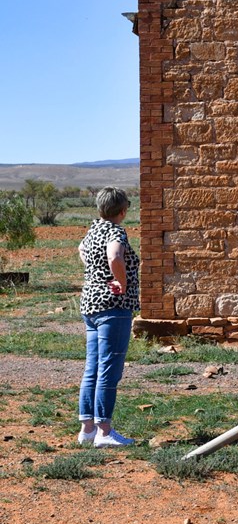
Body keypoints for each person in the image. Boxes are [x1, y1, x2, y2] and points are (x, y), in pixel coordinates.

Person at [76, 186, 140, 447]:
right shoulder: (115, 231)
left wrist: (95, 274)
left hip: (90, 305)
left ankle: (87, 429)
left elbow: (81, 250)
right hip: (113, 307)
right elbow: (114, 255)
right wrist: (119, 282)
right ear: (122, 211)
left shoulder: (93, 230)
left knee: (92, 367)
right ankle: (104, 431)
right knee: (109, 369)